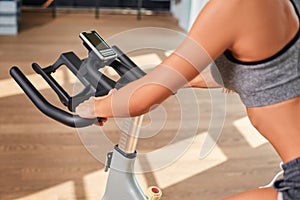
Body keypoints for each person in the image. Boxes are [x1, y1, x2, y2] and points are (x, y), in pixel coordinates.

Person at [76, 0, 300, 199]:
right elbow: (238, 74)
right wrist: (164, 83)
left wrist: (91, 107)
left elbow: (141, 101)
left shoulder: (235, 5)